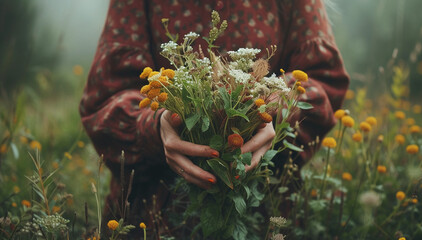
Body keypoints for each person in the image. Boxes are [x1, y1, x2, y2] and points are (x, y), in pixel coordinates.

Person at [79, 0, 349, 238]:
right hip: (154, 217)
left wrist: (270, 106)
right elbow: (104, 98)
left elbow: (323, 79)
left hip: (264, 213)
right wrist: (156, 125)